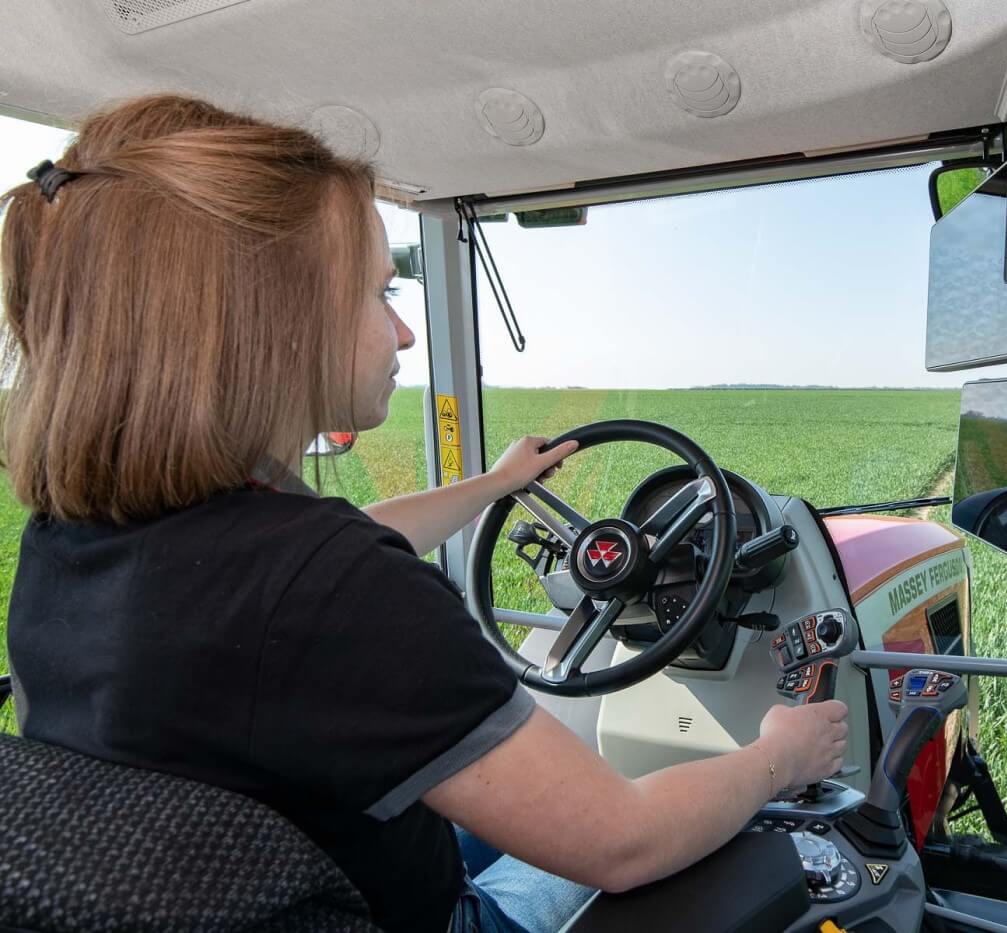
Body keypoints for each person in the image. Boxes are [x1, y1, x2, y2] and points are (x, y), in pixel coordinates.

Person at [0, 95, 848, 933]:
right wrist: (779, 754)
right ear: (280, 324)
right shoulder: (332, 589)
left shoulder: (71, 546)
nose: (404, 333)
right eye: (379, 294)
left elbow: (342, 552)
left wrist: (495, 483)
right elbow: (623, 838)